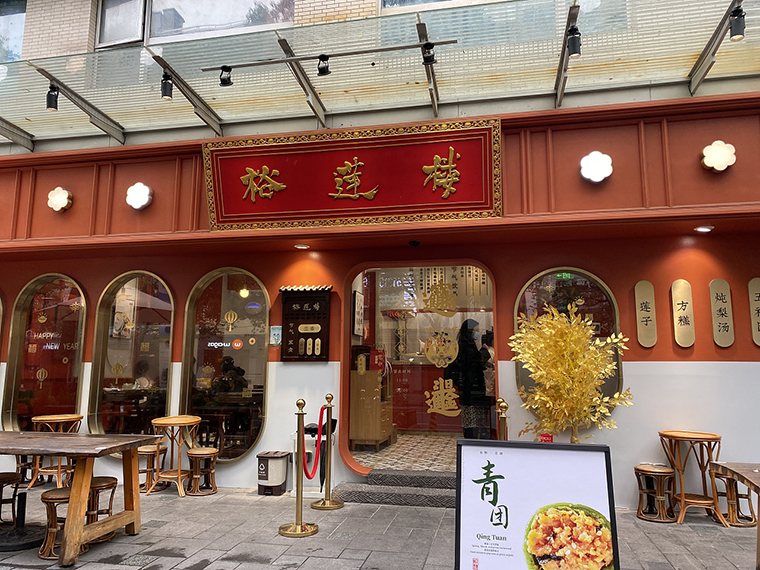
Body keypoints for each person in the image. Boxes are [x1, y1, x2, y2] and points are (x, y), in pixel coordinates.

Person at [446, 319, 490, 439]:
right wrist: (485, 350)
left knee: (469, 416)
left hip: (467, 387)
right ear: (470, 331)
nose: (477, 333)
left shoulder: (463, 344)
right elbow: (476, 361)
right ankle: (472, 440)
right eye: (476, 330)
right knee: (471, 416)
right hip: (470, 387)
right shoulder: (467, 346)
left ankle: (471, 438)